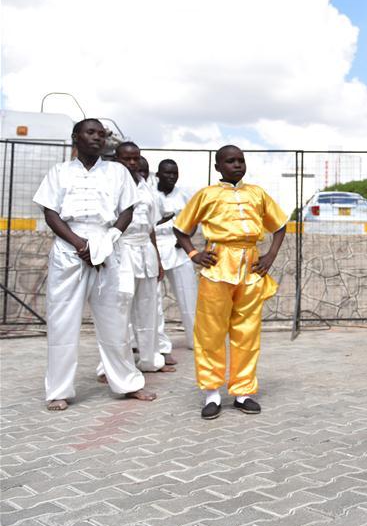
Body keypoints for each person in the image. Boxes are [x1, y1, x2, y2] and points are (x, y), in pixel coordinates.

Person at [33, 119, 157, 411]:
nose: (97, 138)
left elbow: (127, 210)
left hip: (106, 246)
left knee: (115, 320)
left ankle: (127, 383)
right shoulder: (58, 172)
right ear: (76, 137)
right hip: (68, 249)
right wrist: (79, 244)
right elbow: (51, 214)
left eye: (102, 134)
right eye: (91, 132)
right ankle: (59, 390)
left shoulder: (116, 172)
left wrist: (108, 239)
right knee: (63, 321)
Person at [173, 145, 288, 420]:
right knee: (210, 332)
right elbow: (180, 228)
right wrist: (194, 253)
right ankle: (212, 393)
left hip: (250, 267)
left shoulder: (257, 193)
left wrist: (270, 255)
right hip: (217, 265)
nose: (237, 165)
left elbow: (280, 224)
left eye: (241, 160)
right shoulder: (207, 194)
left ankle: (243, 392)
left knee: (247, 332)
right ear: (218, 167)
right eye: (230, 161)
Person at [106, 142, 172, 376]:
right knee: (119, 310)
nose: (132, 163)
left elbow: (151, 226)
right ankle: (110, 367)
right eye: (127, 159)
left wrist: (159, 260)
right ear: (117, 159)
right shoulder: (110, 184)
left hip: (146, 251)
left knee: (148, 308)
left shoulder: (145, 187)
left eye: (136, 158)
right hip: (121, 250)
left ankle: (150, 359)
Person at [155, 159, 198, 351]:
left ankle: (195, 340)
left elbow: (194, 220)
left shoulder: (184, 195)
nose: (171, 176)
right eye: (167, 173)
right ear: (158, 174)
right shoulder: (150, 193)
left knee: (189, 296)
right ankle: (157, 345)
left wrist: (185, 238)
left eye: (174, 173)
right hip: (154, 248)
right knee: (152, 301)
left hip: (178, 248)